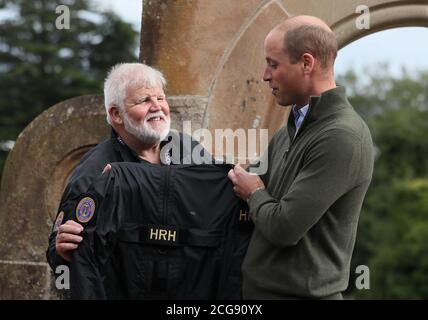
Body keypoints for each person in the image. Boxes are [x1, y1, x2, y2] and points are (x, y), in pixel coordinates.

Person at [228, 15, 374, 299]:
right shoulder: (288, 132)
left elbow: (283, 227)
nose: (265, 75)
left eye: (273, 64)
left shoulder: (342, 137)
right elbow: (238, 183)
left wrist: (255, 192)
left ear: (307, 63)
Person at [47, 62, 202, 270]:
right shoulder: (92, 172)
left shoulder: (188, 149)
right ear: (116, 114)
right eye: (145, 100)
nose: (157, 107)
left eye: (161, 98)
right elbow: (57, 257)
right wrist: (62, 251)